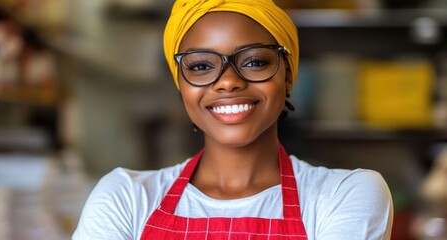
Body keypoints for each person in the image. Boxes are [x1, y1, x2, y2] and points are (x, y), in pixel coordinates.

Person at [73, 0, 393, 239]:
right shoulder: (125, 197)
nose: (227, 81)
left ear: (287, 74)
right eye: (200, 66)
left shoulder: (345, 195)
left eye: (254, 61)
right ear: (181, 85)